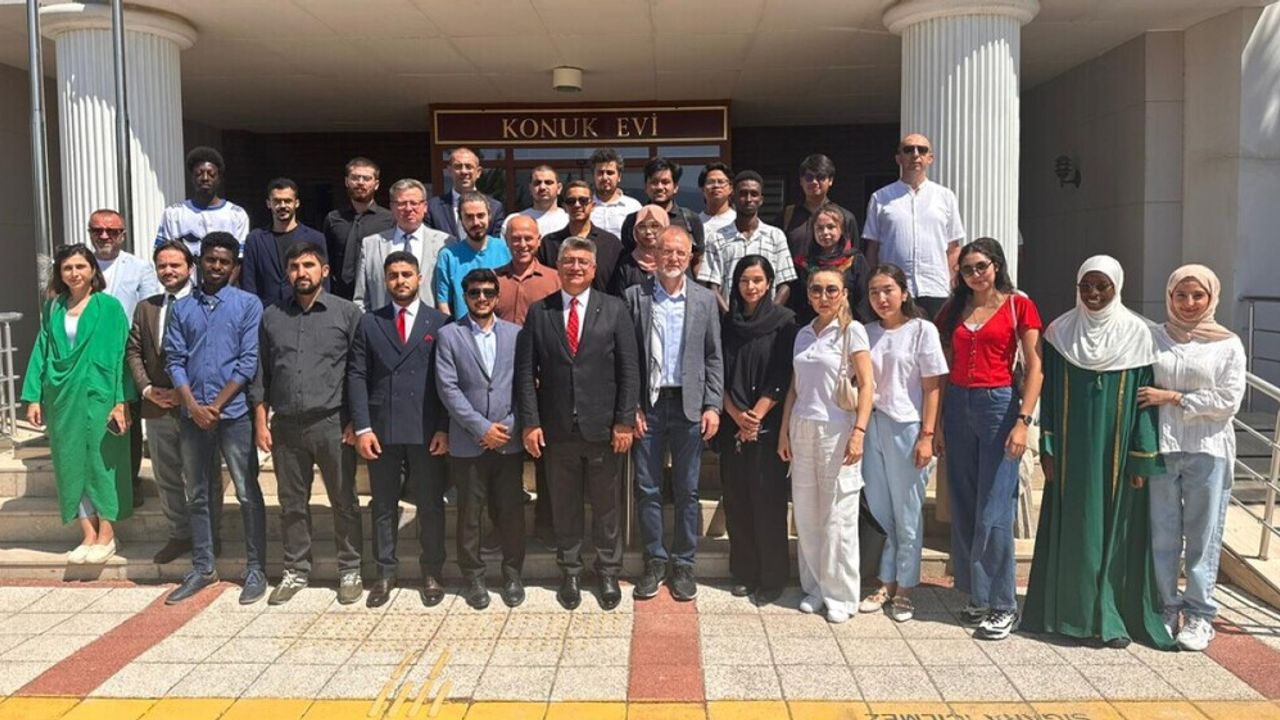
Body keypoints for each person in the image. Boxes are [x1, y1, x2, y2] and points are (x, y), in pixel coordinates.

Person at [1022, 255, 1173, 649]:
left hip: (1118, 458)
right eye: (1085, 286)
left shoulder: (1138, 335)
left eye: (1101, 286)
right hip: (1071, 455)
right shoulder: (1060, 332)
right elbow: (1050, 395)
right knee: (1076, 530)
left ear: (1116, 287)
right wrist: (1048, 447)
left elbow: (1145, 403)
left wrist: (1141, 456)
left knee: (1113, 533)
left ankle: (1108, 617)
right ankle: (1066, 617)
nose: (1092, 293)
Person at [516, 237, 640, 611]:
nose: (575, 267)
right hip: (557, 429)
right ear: (558, 266)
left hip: (604, 428)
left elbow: (629, 370)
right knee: (564, 505)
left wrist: (624, 421)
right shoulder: (541, 312)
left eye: (583, 262)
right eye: (568, 261)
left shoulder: (615, 309)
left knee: (606, 507)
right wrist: (530, 423)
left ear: (593, 268)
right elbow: (525, 373)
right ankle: (569, 569)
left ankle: (607, 570)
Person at [934, 238, 1043, 640]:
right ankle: (977, 594)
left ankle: (1003, 603)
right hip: (958, 403)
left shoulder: (1018, 305)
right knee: (964, 503)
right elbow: (942, 365)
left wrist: (1023, 421)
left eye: (981, 266)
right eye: (967, 269)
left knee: (994, 509)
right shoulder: (953, 310)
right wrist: (938, 424)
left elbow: (1035, 366)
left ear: (996, 265)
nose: (975, 275)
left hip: (998, 404)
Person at [1140, 264, 1247, 652]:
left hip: (1208, 450)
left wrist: (1173, 398)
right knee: (1163, 533)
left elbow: (1228, 401)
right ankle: (1167, 607)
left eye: (1197, 295)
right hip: (1163, 447)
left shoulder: (1228, 344)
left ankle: (1201, 614)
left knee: (1203, 535)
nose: (1189, 303)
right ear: (1169, 296)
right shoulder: (1153, 338)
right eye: (1181, 295)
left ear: (1211, 298)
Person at [254, 242, 364, 606]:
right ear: (287, 273)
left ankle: (350, 568)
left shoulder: (347, 314)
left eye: (309, 265)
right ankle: (296, 569)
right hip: (286, 425)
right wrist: (261, 421)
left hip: (332, 422)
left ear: (325, 271)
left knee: (343, 499)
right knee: (292, 503)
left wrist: (356, 421)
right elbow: (262, 372)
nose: (301, 272)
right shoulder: (272, 316)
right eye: (294, 267)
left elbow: (358, 371)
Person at [163, 232, 267, 605]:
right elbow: (174, 358)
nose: (217, 266)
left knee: (246, 491)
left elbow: (248, 361)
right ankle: (204, 566)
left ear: (234, 266)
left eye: (224, 261)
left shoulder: (248, 304)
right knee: (198, 492)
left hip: (234, 415)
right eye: (211, 260)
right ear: (199, 262)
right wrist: (192, 405)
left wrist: (216, 406)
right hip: (192, 416)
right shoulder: (181, 308)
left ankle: (256, 569)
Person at [624, 226, 723, 602]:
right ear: (654, 254)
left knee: (688, 489)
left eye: (681, 252)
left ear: (690, 257)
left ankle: (683, 564)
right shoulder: (635, 297)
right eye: (667, 251)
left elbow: (714, 356)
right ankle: (654, 561)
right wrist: (630, 406)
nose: (674, 258)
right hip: (648, 406)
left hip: (689, 405)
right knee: (648, 487)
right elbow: (627, 358)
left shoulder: (704, 300)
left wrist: (712, 405)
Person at [348, 251, 452, 608]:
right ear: (385, 280)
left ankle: (432, 571)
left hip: (426, 429)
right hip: (382, 428)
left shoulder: (439, 322)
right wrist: (362, 427)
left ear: (419, 278)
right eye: (393, 275)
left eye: (407, 274)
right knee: (383, 505)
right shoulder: (370, 322)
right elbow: (357, 375)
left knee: (430, 504)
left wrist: (444, 428)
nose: (400, 281)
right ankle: (385, 573)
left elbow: (447, 381)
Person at [22, 244, 135, 565]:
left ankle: (107, 534)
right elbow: (42, 349)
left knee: (103, 461)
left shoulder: (108, 307)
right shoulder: (54, 308)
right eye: (67, 268)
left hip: (101, 395)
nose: (74, 273)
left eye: (80, 267)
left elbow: (121, 356)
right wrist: (33, 396)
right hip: (62, 397)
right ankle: (87, 532)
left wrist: (121, 401)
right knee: (70, 462)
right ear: (60, 273)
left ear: (93, 270)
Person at [777, 267, 874, 624]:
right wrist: (784, 431)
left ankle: (841, 595)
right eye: (816, 290)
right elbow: (794, 387)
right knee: (806, 513)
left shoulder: (852, 331)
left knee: (837, 516)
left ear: (844, 293)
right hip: (803, 427)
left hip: (838, 430)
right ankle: (815, 587)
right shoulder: (803, 333)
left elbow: (867, 384)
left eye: (831, 290)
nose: (823, 296)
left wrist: (859, 431)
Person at [857, 264, 948, 622]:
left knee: (907, 513)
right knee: (881, 511)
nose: (881, 298)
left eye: (888, 290)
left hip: (907, 427)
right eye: (874, 292)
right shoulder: (866, 332)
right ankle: (886, 581)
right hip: (872, 425)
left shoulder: (922, 330)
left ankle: (906, 587)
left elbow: (933, 387)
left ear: (904, 293)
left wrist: (928, 435)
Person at [435, 269, 526, 610]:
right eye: (475, 292)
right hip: (467, 441)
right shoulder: (449, 335)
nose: (482, 298)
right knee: (470, 515)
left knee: (511, 511)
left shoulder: (516, 334)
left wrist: (508, 426)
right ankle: (473, 577)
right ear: (465, 296)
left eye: (489, 292)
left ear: (498, 296)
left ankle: (512, 574)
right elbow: (448, 388)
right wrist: (480, 428)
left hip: (508, 439)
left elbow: (525, 385)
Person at [127, 241, 214, 565]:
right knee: (166, 476)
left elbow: (211, 353)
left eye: (175, 265)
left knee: (202, 476)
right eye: (162, 266)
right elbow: (134, 351)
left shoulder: (207, 304)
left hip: (195, 404)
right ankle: (179, 534)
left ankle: (208, 536)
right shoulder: (146, 307)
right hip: (157, 406)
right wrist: (147, 389)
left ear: (190, 268)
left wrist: (185, 393)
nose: (168, 271)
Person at [718, 255, 797, 604]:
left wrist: (757, 416)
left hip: (768, 426)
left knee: (768, 502)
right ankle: (744, 572)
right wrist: (737, 416)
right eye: (744, 281)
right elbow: (716, 370)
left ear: (769, 284)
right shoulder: (727, 323)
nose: (750, 287)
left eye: (757, 280)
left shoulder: (784, 322)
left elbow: (783, 372)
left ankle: (772, 576)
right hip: (732, 425)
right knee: (737, 500)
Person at [88, 208, 160, 508]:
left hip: (125, 356)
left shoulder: (140, 268)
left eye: (112, 231)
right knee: (92, 420)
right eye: (98, 230)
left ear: (123, 234)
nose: (105, 236)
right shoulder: (80, 264)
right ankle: (95, 483)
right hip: (87, 358)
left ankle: (130, 481)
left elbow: (149, 309)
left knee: (126, 420)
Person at [864, 135, 965, 318]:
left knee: (937, 336)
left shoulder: (945, 197)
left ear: (930, 158)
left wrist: (954, 284)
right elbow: (873, 247)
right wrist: (874, 284)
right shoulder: (880, 197)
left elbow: (953, 247)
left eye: (922, 150)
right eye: (908, 150)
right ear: (898, 158)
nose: (915, 155)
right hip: (894, 289)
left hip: (936, 288)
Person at [700, 171, 797, 313]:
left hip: (767, 321)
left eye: (754, 194)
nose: (748, 199)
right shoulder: (717, 238)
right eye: (743, 194)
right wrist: (728, 317)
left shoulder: (776, 236)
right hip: (729, 319)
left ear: (761, 200)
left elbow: (785, 283)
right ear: (733, 198)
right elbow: (711, 285)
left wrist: (770, 316)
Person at [353, 178, 451, 312]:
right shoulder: (371, 244)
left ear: (425, 207)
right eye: (402, 203)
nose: (408, 208)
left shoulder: (445, 243)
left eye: (414, 203)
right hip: (382, 322)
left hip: (430, 323)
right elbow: (361, 298)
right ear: (392, 207)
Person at [241, 178, 328, 307]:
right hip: (266, 311)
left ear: (296, 203)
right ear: (268, 203)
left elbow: (323, 281)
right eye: (277, 201)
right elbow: (248, 283)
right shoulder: (255, 239)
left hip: (304, 310)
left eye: (287, 201)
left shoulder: (315, 238)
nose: (282, 206)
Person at [155, 146, 250, 258]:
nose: (205, 178)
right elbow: (162, 255)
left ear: (219, 179)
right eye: (199, 173)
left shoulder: (237, 214)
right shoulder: (173, 214)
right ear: (192, 177)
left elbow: (240, 258)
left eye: (211, 174)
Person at [323, 157, 395, 300]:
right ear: (346, 182)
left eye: (366, 178)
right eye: (355, 178)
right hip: (340, 295)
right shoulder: (333, 219)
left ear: (376, 184)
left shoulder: (390, 220)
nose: (360, 182)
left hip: (377, 294)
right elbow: (326, 258)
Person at [434, 192, 512, 320]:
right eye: (469, 217)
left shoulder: (505, 249)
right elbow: (443, 302)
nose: (476, 222)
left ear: (489, 216)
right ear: (461, 220)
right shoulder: (448, 256)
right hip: (464, 329)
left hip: (502, 327)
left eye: (480, 215)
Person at [789, 202, 869, 326]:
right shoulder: (804, 264)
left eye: (831, 227)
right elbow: (797, 303)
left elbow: (864, 300)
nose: (825, 232)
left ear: (841, 230)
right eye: (820, 228)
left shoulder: (854, 260)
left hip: (848, 326)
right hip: (812, 329)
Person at [541, 180, 623, 293]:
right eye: (571, 201)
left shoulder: (611, 243)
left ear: (592, 205)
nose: (577, 205)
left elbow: (619, 284)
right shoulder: (549, 244)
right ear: (564, 207)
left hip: (602, 303)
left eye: (583, 200)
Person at [774, 154, 861, 257]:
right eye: (809, 177)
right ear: (801, 181)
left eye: (820, 177)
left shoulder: (845, 217)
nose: (814, 182)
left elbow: (854, 257)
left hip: (834, 267)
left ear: (830, 181)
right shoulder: (786, 216)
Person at [618, 157, 705, 256]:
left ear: (675, 187)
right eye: (654, 182)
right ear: (646, 187)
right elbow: (627, 256)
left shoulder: (690, 219)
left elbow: (698, 257)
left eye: (665, 182)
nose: (659, 187)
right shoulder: (633, 220)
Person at [426, 147, 504, 240]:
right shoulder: (433, 208)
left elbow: (495, 243)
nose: (464, 171)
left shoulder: (494, 207)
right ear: (449, 171)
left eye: (469, 166)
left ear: (478, 172)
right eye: (458, 166)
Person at [496, 215, 561, 326]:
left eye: (528, 238)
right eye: (516, 239)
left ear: (538, 240)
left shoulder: (556, 281)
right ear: (506, 241)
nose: (523, 245)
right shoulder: (493, 279)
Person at [608, 204, 668, 296]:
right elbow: (620, 299)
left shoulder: (674, 259)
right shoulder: (627, 264)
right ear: (635, 231)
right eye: (642, 227)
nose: (648, 232)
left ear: (665, 228)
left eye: (655, 226)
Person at [589, 148, 642, 240]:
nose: (605, 177)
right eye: (600, 173)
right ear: (593, 176)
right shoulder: (584, 206)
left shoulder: (633, 207)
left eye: (610, 173)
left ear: (619, 176)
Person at [505, 165, 568, 237]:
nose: (542, 187)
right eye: (537, 183)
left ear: (559, 188)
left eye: (548, 182)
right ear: (530, 188)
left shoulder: (568, 219)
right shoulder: (514, 220)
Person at [698, 162, 736, 240]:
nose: (716, 186)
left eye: (721, 182)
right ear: (702, 188)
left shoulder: (738, 221)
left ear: (731, 188)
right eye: (710, 182)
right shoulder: (695, 223)